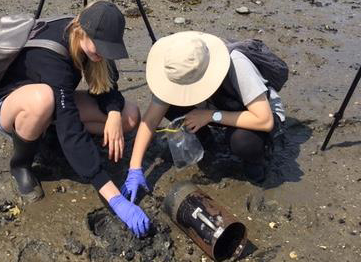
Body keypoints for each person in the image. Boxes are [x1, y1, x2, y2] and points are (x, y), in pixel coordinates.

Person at [0, 0, 150, 237]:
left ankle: (47, 133)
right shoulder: (52, 58)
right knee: (43, 100)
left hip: (54, 100)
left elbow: (109, 86)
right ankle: (20, 164)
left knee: (130, 116)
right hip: (8, 105)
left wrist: (114, 113)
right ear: (82, 32)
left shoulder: (92, 44)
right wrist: (115, 200)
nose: (103, 53)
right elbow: (71, 130)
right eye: (100, 47)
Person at [122, 31, 286, 201]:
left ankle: (256, 159)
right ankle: (206, 141)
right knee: (170, 106)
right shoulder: (177, 67)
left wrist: (210, 116)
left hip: (256, 114)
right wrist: (135, 168)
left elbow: (265, 120)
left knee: (243, 142)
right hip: (215, 109)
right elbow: (150, 120)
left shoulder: (236, 64)